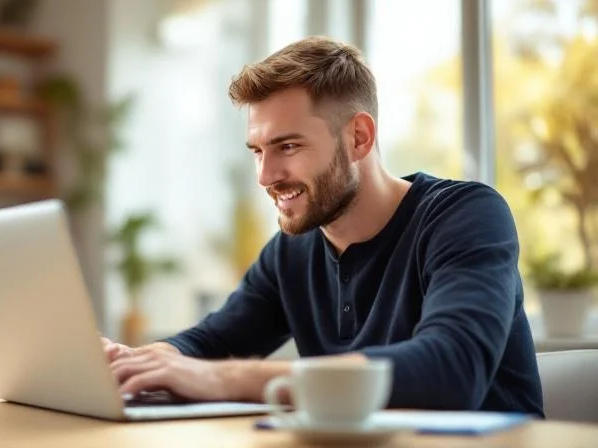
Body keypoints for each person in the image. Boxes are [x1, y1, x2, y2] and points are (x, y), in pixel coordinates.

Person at [103, 36, 544, 417]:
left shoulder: (465, 216)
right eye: (258, 151)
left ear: (359, 137)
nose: (265, 175)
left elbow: (451, 370)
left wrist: (227, 379)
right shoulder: (291, 252)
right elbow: (211, 341)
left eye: (287, 146)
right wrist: (137, 362)